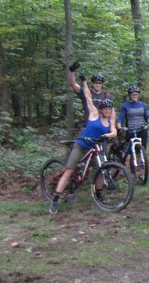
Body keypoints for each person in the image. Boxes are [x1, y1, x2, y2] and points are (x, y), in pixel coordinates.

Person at [50, 75, 117, 214]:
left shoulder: (110, 119)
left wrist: (106, 135)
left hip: (96, 145)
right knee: (69, 171)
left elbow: (114, 132)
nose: (107, 111)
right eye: (105, 109)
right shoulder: (94, 114)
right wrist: (85, 82)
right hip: (82, 145)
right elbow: (87, 96)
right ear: (100, 110)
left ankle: (98, 194)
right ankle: (55, 199)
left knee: (100, 169)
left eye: (109, 109)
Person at [116, 85, 149, 151]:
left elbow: (147, 115)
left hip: (142, 129)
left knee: (142, 149)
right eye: (133, 94)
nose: (134, 96)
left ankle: (141, 160)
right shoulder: (125, 105)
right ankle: (131, 160)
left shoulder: (143, 105)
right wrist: (119, 124)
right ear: (130, 95)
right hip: (130, 130)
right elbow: (120, 117)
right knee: (131, 150)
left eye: (136, 94)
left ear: (138, 95)